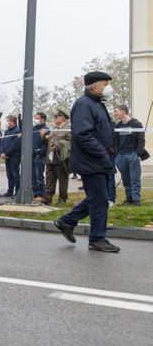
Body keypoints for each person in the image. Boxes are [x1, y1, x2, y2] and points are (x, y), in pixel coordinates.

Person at [53, 72, 120, 253]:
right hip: (92, 161)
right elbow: (82, 135)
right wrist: (102, 153)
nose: (108, 88)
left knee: (100, 198)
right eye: (105, 84)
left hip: (100, 160)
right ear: (95, 86)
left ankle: (67, 221)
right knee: (99, 200)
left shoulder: (97, 104)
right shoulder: (84, 104)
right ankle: (97, 238)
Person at [113, 104, 145, 206]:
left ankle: (136, 199)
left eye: (116, 111)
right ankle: (129, 198)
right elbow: (116, 141)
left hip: (133, 154)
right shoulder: (118, 126)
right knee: (125, 179)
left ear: (122, 112)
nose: (114, 114)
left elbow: (141, 140)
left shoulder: (136, 124)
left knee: (135, 178)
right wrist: (117, 155)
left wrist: (138, 154)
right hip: (121, 155)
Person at [40, 110, 71, 205]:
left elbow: (70, 143)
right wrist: (43, 136)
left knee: (62, 180)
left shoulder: (67, 129)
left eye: (57, 117)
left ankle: (62, 199)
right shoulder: (53, 129)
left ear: (62, 118)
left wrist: (57, 145)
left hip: (60, 159)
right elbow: (48, 142)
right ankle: (47, 198)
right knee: (49, 179)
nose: (55, 119)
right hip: (50, 158)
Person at [0, 115, 21, 198]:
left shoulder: (17, 131)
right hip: (6, 156)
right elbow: (2, 142)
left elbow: (15, 145)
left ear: (12, 122)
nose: (6, 122)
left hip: (14, 156)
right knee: (9, 175)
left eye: (7, 121)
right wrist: (2, 153)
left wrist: (7, 153)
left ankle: (18, 192)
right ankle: (10, 191)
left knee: (15, 174)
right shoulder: (7, 131)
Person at [32, 112, 49, 200]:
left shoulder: (46, 130)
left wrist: (40, 153)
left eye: (37, 118)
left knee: (39, 176)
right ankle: (34, 193)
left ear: (43, 119)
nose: (36, 120)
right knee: (33, 176)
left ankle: (40, 194)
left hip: (39, 156)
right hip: (32, 156)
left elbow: (45, 145)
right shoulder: (34, 129)